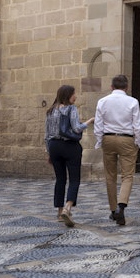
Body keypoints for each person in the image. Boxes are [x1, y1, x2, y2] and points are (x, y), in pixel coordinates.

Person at [94, 74, 140, 226]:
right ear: (126, 87)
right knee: (127, 176)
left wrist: (99, 141)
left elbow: (98, 124)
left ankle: (112, 210)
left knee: (110, 176)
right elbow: (138, 125)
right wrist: (138, 141)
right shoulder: (133, 101)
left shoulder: (102, 101)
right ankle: (121, 208)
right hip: (126, 139)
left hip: (108, 138)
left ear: (111, 87)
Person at [45, 85, 93, 227]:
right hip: (70, 147)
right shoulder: (71, 109)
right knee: (74, 179)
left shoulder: (51, 110)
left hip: (54, 146)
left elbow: (46, 135)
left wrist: (49, 152)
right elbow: (77, 128)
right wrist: (89, 121)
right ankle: (67, 208)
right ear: (68, 95)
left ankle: (60, 212)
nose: (75, 96)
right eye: (74, 94)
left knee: (60, 179)